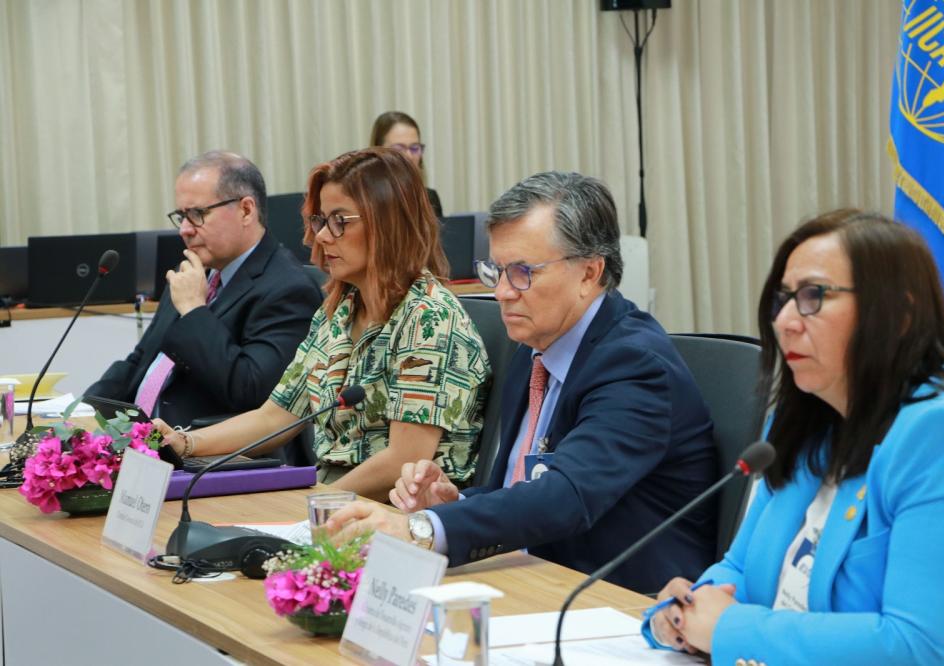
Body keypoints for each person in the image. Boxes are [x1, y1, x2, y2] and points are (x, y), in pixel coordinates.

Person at [325, 171, 718, 594]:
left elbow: (565, 495)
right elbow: (515, 490)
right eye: (496, 270)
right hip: (532, 579)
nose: (503, 293)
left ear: (589, 273)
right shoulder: (533, 350)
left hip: (619, 599)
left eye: (523, 272)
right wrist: (453, 506)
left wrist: (425, 528)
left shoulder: (635, 365)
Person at [653, 210, 944, 664]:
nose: (786, 322)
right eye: (783, 300)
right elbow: (738, 571)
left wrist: (728, 629)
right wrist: (677, 615)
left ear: (898, 314)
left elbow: (922, 648)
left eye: (813, 296)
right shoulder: (805, 425)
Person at [153, 148, 490, 499]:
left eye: (340, 221)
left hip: (400, 514)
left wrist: (312, 505)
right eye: (320, 221)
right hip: (334, 501)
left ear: (388, 223)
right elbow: (275, 417)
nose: (323, 236)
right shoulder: (339, 311)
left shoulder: (429, 318)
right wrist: (187, 443)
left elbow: (403, 460)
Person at [86, 151, 322, 428]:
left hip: (212, 454)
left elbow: (250, 390)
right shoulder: (196, 271)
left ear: (246, 210)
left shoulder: (288, 289)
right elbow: (141, 359)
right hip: (145, 442)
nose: (184, 229)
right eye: (181, 215)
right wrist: (82, 413)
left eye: (197, 214)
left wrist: (194, 310)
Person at [369, 111, 443, 218]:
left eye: (414, 148)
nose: (409, 156)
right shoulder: (362, 200)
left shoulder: (430, 198)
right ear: (377, 152)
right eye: (399, 149)